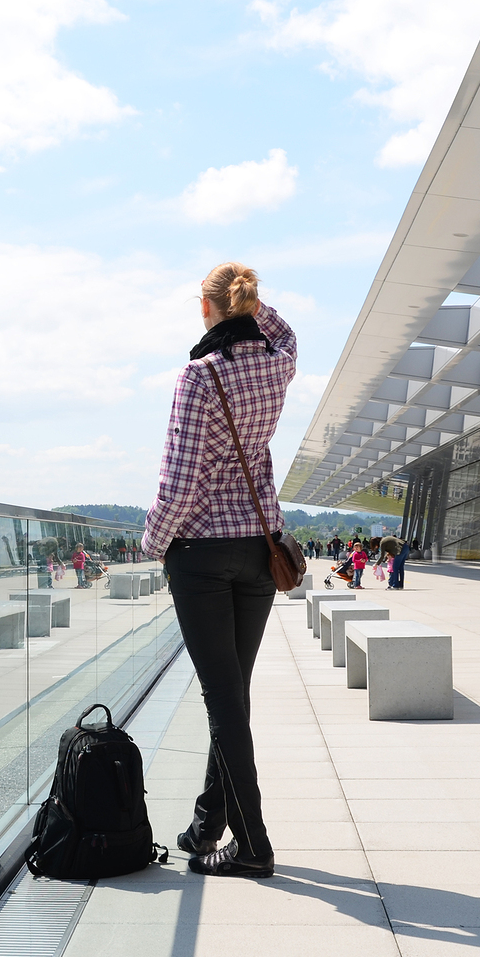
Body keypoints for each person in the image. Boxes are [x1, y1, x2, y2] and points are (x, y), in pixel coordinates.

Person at [141, 262, 295, 879]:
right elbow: (282, 331)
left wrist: (154, 542)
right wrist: (253, 305)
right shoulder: (277, 361)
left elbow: (178, 483)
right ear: (250, 306)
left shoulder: (198, 377)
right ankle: (209, 822)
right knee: (232, 694)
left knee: (222, 698)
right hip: (258, 549)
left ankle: (253, 843)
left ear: (207, 310)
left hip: (201, 554)